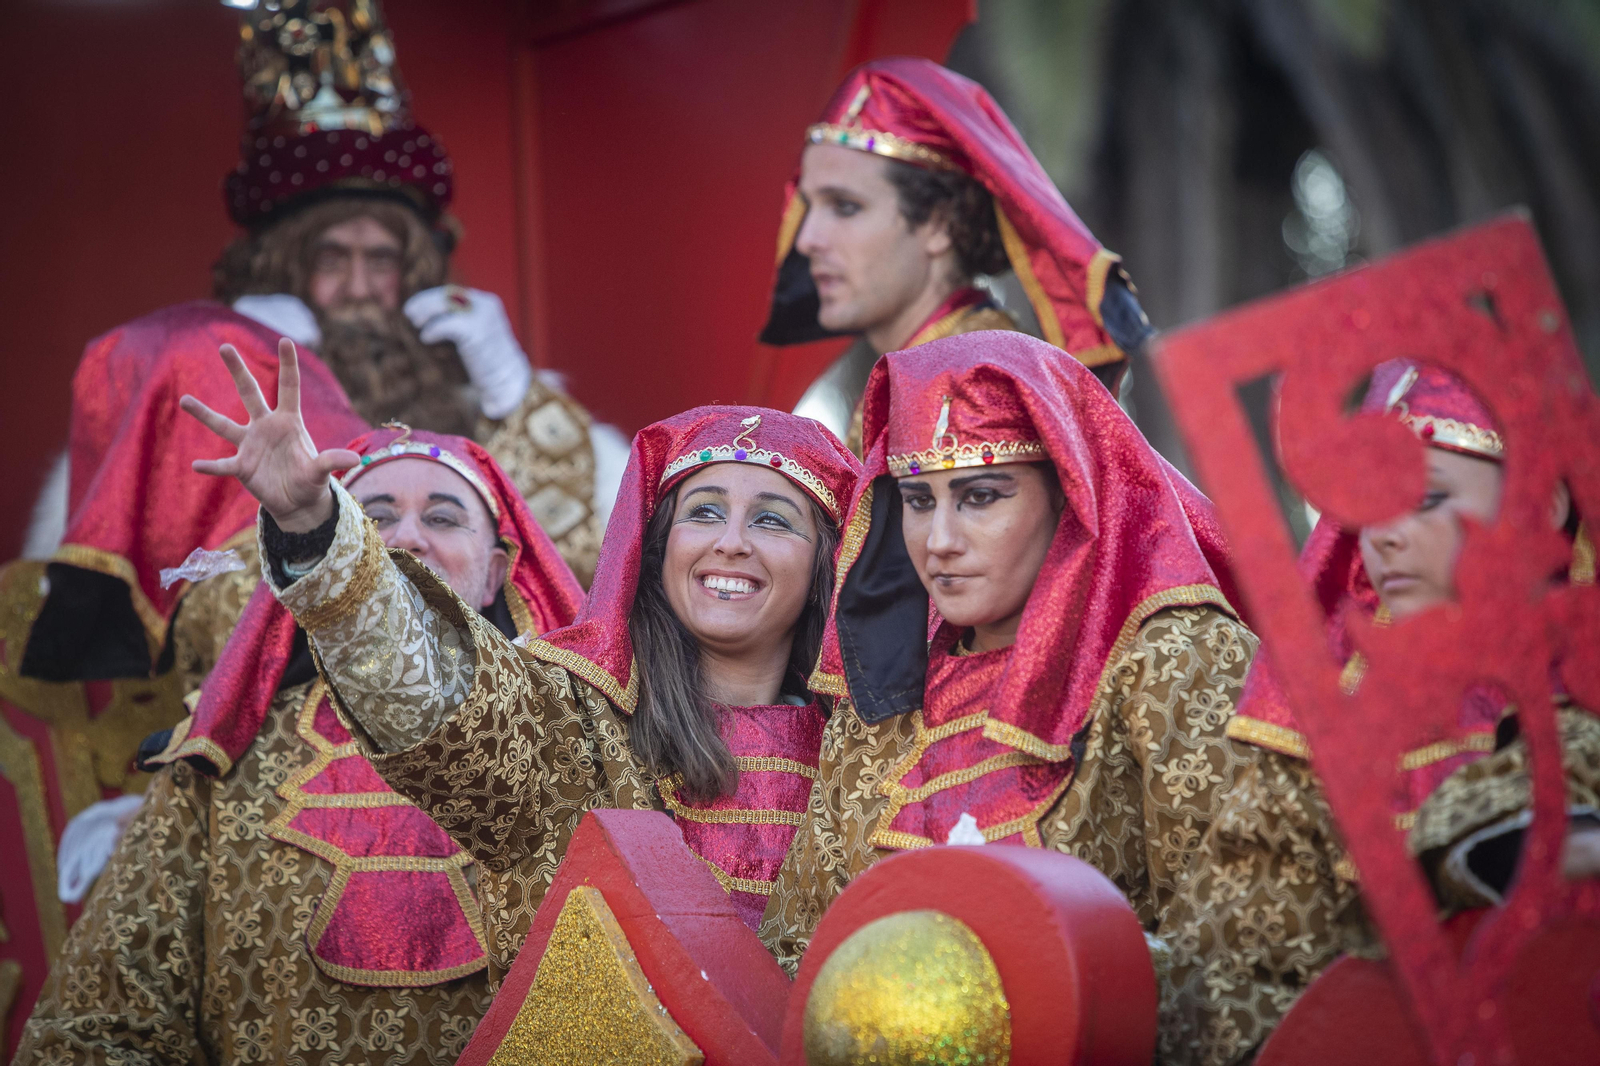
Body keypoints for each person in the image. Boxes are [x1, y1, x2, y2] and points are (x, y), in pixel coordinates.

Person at [179, 340, 862, 977]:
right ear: (656, 555)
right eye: (704, 513)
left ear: (824, 568)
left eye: (773, 519)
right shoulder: (572, 723)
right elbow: (433, 690)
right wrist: (313, 527)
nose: (731, 543)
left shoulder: (870, 755)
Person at [14, 410, 584, 1064]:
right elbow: (99, 1021)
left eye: (444, 517)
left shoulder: (568, 741)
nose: (406, 537)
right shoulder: (220, 762)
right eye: (373, 517)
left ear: (495, 574)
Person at [759, 329, 1255, 974]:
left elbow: (1241, 955)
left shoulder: (1173, 660)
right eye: (916, 501)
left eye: (980, 497)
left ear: (1068, 492)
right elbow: (800, 948)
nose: (939, 540)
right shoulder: (880, 703)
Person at [1157, 361, 1600, 1066]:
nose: (1382, 537)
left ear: (1542, 503)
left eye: (1424, 498)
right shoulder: (1334, 724)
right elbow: (1232, 966)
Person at [761, 57, 1154, 450]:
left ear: (938, 223)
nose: (806, 239)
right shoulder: (921, 375)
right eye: (808, 207)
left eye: (845, 207)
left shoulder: (975, 387)